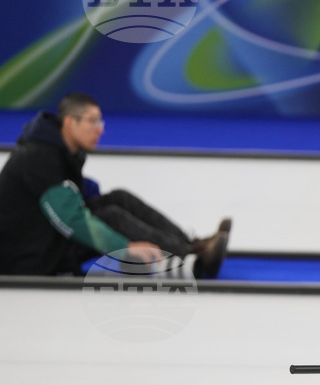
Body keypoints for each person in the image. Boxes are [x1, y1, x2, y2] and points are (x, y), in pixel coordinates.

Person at [0, 92, 230, 277]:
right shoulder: (39, 157)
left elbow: (79, 192)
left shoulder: (62, 151)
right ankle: (190, 258)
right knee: (110, 216)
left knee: (119, 198)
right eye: (93, 121)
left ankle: (192, 246)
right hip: (25, 257)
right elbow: (70, 217)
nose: (100, 129)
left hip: (44, 235)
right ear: (70, 123)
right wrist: (124, 245)